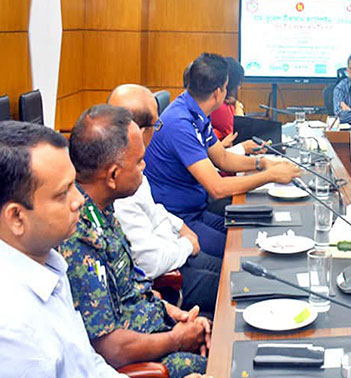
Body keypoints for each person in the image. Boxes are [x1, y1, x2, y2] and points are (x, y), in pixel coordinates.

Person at [59, 105, 213, 377]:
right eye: (139, 161)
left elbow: (130, 290)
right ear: (113, 175)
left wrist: (174, 315)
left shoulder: (102, 210)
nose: (144, 166)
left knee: (224, 331)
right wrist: (177, 339)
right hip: (146, 359)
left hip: (157, 329)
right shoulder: (79, 236)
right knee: (232, 360)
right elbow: (109, 348)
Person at [144, 53, 301, 257]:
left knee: (250, 236)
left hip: (197, 210)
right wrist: (270, 176)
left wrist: (262, 163)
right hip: (179, 220)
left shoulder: (193, 109)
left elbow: (223, 159)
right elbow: (217, 188)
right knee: (240, 253)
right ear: (218, 92)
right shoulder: (180, 124)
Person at [0, 121, 124, 376]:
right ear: (16, 217)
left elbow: (87, 364)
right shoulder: (14, 329)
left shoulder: (46, 262)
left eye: (74, 185)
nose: (79, 200)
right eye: (62, 194)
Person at [108, 84, 221, 315]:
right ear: (139, 131)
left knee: (234, 270)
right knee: (234, 285)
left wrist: (181, 227)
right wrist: (187, 244)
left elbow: (154, 209)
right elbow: (150, 262)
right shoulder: (119, 182)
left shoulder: (132, 165)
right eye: (156, 125)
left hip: (176, 247)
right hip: (170, 274)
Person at [210, 57, 245, 147]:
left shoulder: (228, 102)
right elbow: (239, 133)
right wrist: (238, 106)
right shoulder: (220, 106)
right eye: (238, 83)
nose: (239, 87)